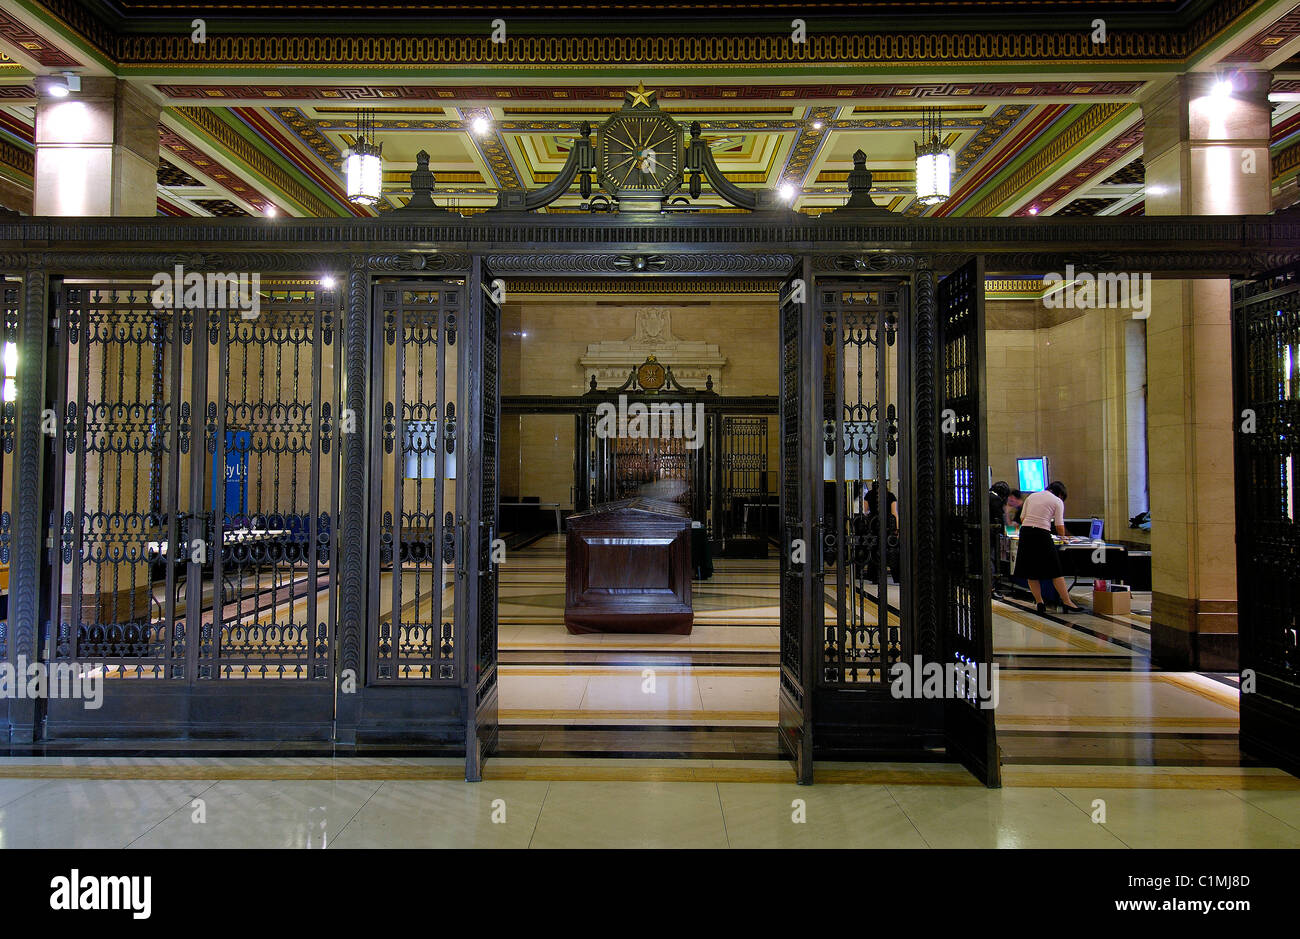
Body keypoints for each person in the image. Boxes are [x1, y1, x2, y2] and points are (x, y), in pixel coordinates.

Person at [1013, 480, 1082, 613]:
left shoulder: (1032, 496)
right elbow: (1059, 525)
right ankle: (1067, 601)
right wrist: (1063, 538)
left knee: (1031, 571)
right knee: (1055, 570)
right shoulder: (1057, 501)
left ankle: (1039, 602)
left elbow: (1022, 518)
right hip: (1042, 534)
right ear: (1060, 494)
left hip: (1026, 533)